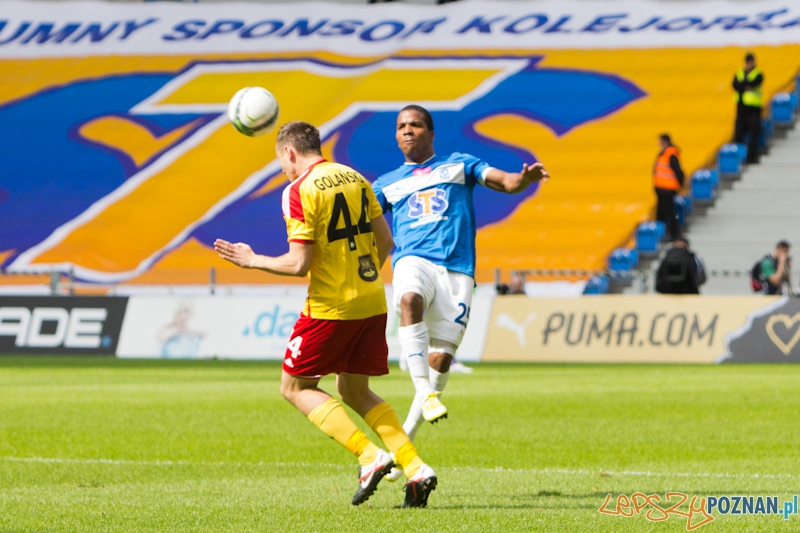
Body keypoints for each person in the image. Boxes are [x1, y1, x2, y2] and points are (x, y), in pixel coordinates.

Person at [214, 121, 437, 508]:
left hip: (330, 306)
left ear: (289, 152)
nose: (284, 170)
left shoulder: (298, 190)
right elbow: (385, 240)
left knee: (295, 387)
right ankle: (416, 469)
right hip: (371, 300)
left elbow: (298, 264)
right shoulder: (356, 178)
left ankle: (369, 456)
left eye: (281, 162)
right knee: (354, 390)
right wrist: (363, 275)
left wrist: (252, 260)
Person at [371, 105, 549, 479]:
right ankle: (424, 391)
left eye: (415, 125)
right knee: (408, 299)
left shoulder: (459, 165)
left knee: (442, 359)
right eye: (401, 126)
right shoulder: (385, 184)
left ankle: (403, 445)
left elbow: (505, 182)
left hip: (456, 272)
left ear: (431, 133)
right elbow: (358, 220)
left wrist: (523, 179)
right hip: (413, 260)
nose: (407, 130)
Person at [732, 52, 763, 165]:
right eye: (747, 62)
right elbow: (735, 85)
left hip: (753, 109)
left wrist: (743, 85)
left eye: (750, 61)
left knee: (754, 133)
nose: (749, 64)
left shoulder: (758, 73)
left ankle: (752, 158)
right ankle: (739, 158)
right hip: (741, 108)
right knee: (739, 134)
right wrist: (746, 85)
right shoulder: (739, 72)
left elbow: (754, 83)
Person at [653, 133, 684, 241]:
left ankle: (674, 234)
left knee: (670, 212)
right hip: (661, 188)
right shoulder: (664, 153)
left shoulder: (670, 154)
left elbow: (678, 171)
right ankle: (661, 234)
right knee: (660, 213)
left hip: (668, 189)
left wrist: (680, 184)